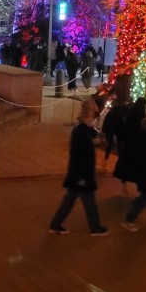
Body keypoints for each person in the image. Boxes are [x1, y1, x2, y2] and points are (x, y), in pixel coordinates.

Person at [48, 98, 109, 236]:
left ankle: (56, 224)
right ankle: (95, 228)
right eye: (94, 115)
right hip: (81, 174)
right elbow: (81, 155)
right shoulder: (81, 133)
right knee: (88, 202)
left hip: (78, 174)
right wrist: (83, 176)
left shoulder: (82, 129)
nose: (95, 118)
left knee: (71, 201)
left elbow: (91, 132)